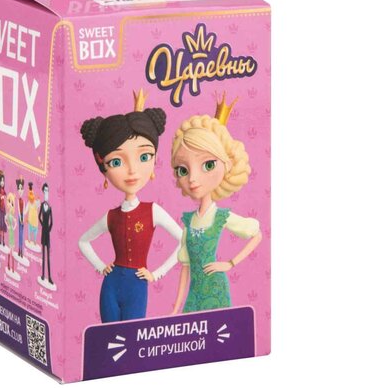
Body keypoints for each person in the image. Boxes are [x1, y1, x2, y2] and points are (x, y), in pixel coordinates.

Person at [79, 89, 182, 323]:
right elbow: (83, 241)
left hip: (137, 285)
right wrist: (100, 266)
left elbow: (183, 240)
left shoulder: (152, 211)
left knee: (132, 336)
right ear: (104, 170)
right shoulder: (111, 215)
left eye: (144, 157)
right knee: (107, 336)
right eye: (116, 162)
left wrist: (156, 274)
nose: (133, 171)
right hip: (111, 284)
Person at [171, 94, 262, 314]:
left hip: (215, 290)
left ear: (226, 165)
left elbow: (256, 235)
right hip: (194, 294)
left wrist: (230, 263)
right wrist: (176, 308)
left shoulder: (221, 217)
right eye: (183, 170)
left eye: (208, 165)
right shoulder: (188, 221)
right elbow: (185, 267)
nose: (193, 179)